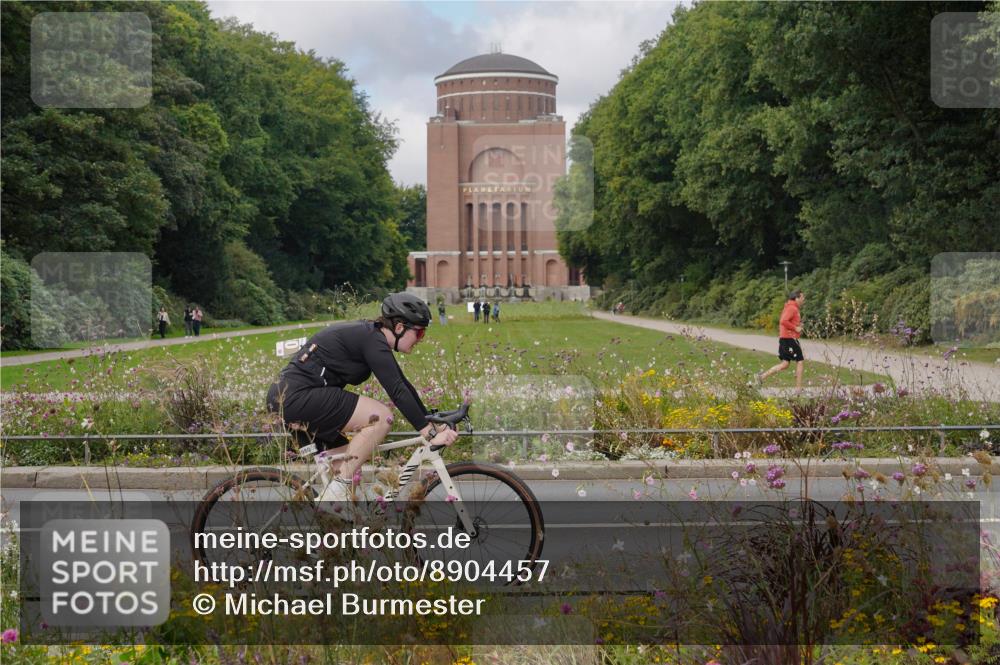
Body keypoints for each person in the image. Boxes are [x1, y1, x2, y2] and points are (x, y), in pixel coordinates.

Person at [266, 292, 459, 503]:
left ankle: (334, 523)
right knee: (381, 417)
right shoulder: (371, 339)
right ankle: (338, 488)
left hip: (291, 399)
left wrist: (431, 421)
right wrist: (429, 433)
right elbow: (396, 390)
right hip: (297, 397)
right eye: (420, 333)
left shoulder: (371, 336)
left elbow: (402, 384)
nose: (421, 339)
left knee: (349, 478)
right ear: (399, 327)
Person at [759, 290, 806, 390]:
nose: (803, 299)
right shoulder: (792, 308)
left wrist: (798, 326)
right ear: (796, 298)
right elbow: (783, 321)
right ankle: (798, 389)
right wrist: (795, 328)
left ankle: (761, 377)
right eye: (802, 297)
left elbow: (789, 322)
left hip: (786, 338)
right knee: (800, 361)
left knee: (785, 364)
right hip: (789, 339)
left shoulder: (792, 308)